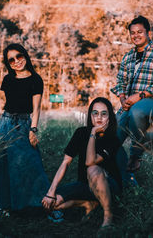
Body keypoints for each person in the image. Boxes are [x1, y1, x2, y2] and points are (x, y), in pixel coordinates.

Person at [0, 43, 62, 220]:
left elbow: (36, 108)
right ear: (8, 63)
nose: (16, 61)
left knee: (32, 164)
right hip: (6, 123)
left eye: (19, 56)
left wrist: (33, 129)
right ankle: (4, 206)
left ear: (25, 55)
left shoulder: (36, 79)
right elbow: (8, 104)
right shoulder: (7, 79)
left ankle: (45, 205)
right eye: (11, 60)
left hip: (24, 124)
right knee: (1, 166)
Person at [41, 97, 124, 233]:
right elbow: (65, 162)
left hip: (109, 186)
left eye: (104, 114)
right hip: (84, 185)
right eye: (95, 113)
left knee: (93, 169)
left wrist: (93, 133)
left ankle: (108, 215)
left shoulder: (112, 139)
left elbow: (90, 162)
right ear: (90, 115)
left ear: (110, 117)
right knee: (50, 203)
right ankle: (88, 203)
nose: (99, 117)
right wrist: (51, 191)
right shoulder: (80, 133)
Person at [111, 15, 153, 172]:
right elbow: (120, 82)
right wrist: (123, 98)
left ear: (148, 33)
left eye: (140, 32)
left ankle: (135, 154)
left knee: (137, 112)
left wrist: (140, 95)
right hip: (128, 105)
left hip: (152, 102)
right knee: (112, 136)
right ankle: (122, 174)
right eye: (132, 32)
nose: (136, 35)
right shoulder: (128, 57)